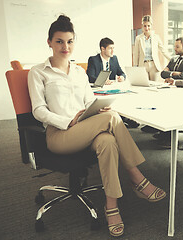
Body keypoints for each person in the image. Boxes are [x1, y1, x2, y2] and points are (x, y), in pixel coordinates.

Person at [27, 15, 166, 238]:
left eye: (70, 41)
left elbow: (89, 102)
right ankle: (136, 176)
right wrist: (68, 121)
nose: (65, 47)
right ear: (49, 42)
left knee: (108, 140)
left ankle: (111, 207)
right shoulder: (38, 72)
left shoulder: (80, 72)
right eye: (60, 41)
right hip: (59, 135)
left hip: (84, 130)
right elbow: (38, 110)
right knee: (112, 118)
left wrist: (96, 109)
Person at [87, 37, 140, 128]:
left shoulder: (114, 59)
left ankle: (124, 118)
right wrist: (102, 81)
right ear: (103, 49)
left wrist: (122, 77)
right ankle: (122, 119)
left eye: (113, 48)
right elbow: (90, 76)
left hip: (112, 89)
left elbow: (121, 72)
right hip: (100, 90)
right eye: (110, 48)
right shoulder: (93, 59)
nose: (112, 51)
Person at [154, 37, 183, 147]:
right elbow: (162, 73)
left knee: (170, 105)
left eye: (177, 47)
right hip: (171, 87)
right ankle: (164, 132)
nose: (175, 49)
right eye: (174, 46)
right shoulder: (173, 59)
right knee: (159, 101)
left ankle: (170, 139)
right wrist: (174, 73)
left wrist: (171, 74)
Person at [133, 15, 171, 82]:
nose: (147, 28)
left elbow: (163, 50)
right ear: (142, 26)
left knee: (154, 86)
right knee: (144, 86)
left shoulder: (156, 37)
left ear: (151, 25)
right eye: (145, 26)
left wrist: (172, 59)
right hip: (143, 65)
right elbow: (136, 54)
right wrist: (135, 67)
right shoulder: (138, 38)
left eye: (148, 25)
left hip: (154, 65)